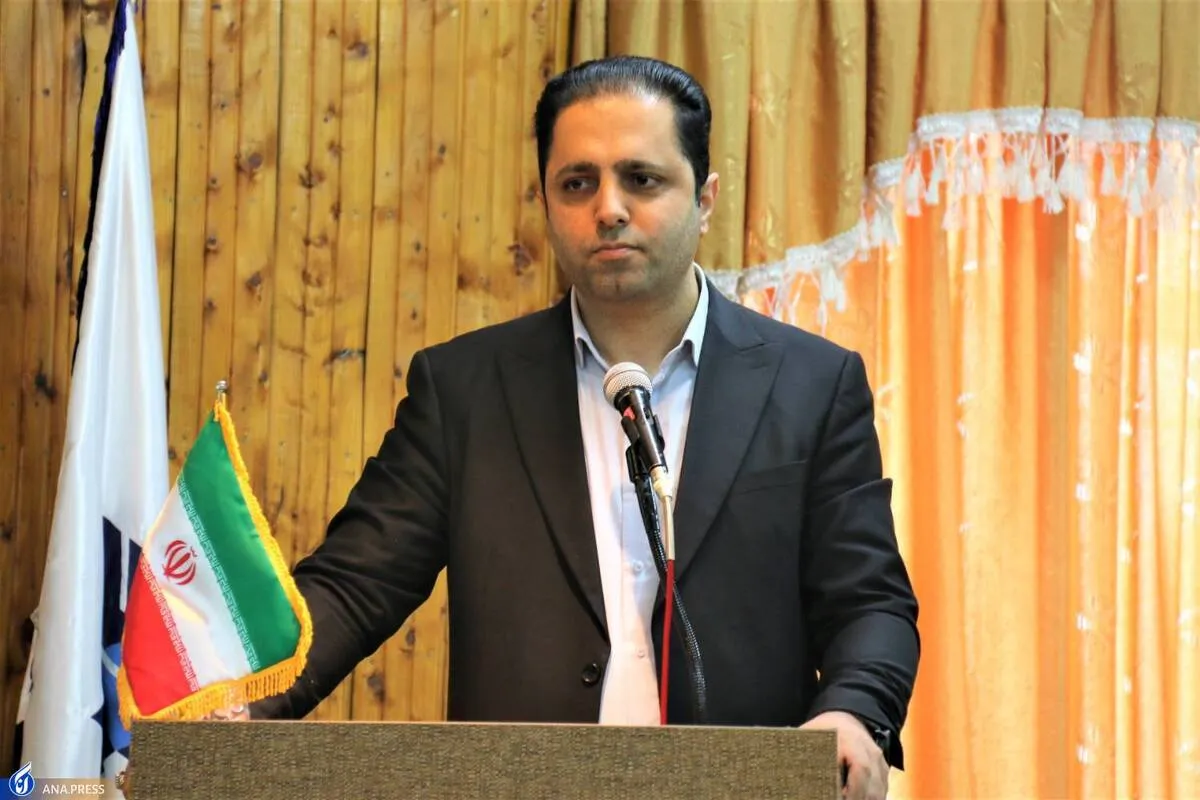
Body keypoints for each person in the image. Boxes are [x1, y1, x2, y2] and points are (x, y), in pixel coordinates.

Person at [248, 55, 919, 800]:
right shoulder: (466, 389)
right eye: (577, 183)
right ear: (544, 201)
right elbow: (352, 585)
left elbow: (869, 603)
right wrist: (240, 704)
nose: (609, 208)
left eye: (642, 179)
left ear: (705, 199)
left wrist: (854, 712)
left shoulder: (812, 385)